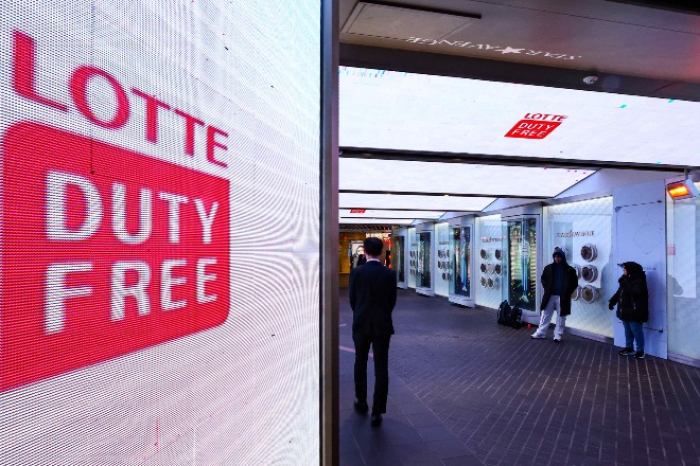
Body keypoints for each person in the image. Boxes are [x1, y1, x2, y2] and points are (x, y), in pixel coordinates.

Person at [349, 237, 397, 427]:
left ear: (365, 252)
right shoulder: (389, 274)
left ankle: (361, 401)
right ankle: (377, 411)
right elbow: (392, 301)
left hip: (361, 324)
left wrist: (360, 313)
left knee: (360, 363)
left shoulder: (356, 273)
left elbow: (352, 299)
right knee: (381, 368)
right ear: (382, 252)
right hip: (382, 326)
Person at [531, 247, 579, 342]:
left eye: (559, 257)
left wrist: (568, 291)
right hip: (550, 295)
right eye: (555, 257)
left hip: (563, 297)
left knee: (561, 316)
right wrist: (547, 288)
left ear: (563, 257)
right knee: (546, 314)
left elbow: (575, 283)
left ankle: (558, 335)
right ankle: (541, 332)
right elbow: (543, 279)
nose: (557, 259)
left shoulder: (569, 270)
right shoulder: (549, 268)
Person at [608, 262, 648, 359]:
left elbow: (634, 293)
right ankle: (629, 348)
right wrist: (612, 301)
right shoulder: (625, 279)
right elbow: (619, 292)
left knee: (636, 330)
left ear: (631, 270)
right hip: (625, 310)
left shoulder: (640, 280)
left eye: (625, 269)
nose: (623, 270)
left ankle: (640, 351)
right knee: (627, 330)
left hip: (635, 311)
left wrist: (624, 282)